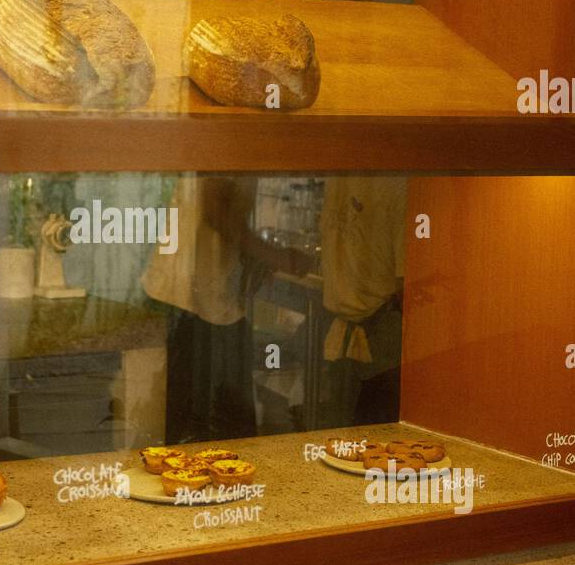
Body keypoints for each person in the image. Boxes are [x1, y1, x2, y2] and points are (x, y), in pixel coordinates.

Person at [142, 174, 307, 444]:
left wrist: (252, 260)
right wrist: (276, 256)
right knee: (213, 424)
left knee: (219, 422)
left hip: (209, 296)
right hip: (193, 299)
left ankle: (219, 477)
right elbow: (216, 212)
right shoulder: (231, 140)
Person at [317, 175, 406, 429]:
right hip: (372, 340)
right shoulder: (397, 184)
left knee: (347, 444)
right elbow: (407, 284)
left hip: (365, 337)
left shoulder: (338, 176)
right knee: (373, 443)